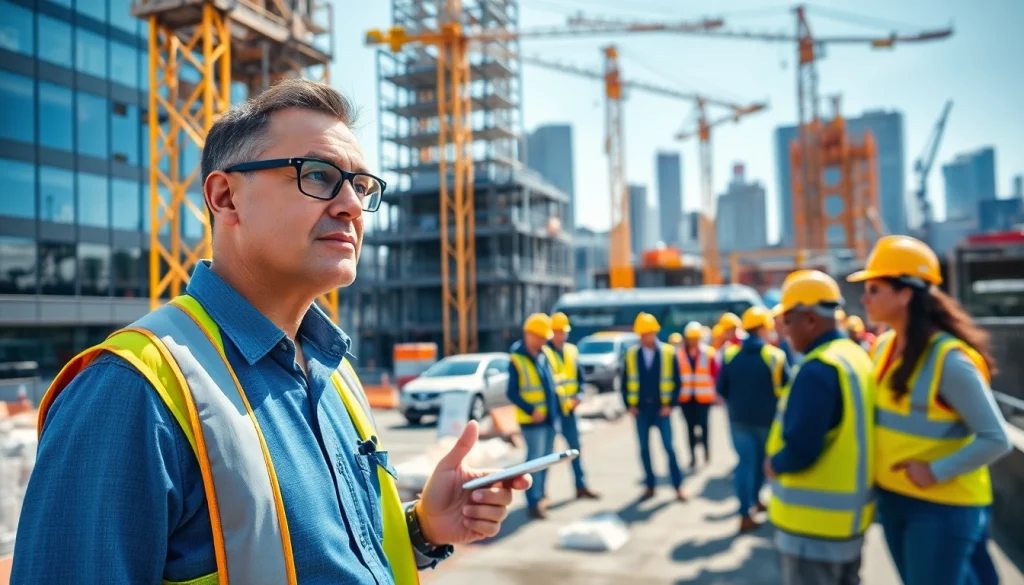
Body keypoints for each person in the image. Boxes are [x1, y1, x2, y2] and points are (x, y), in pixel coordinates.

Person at [11, 79, 528, 585]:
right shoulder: (129, 392)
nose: (351, 205)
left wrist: (422, 528)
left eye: (362, 186)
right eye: (319, 175)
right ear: (226, 197)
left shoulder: (335, 374)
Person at [847, 235, 1012, 585]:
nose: (864, 298)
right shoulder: (883, 347)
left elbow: (996, 438)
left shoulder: (950, 360)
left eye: (874, 288)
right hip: (894, 499)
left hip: (941, 507)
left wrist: (936, 471)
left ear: (905, 293)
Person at [765, 270, 875, 585]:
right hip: (849, 521)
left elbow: (803, 448)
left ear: (811, 319)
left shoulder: (817, 369)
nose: (784, 330)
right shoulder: (855, 357)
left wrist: (775, 464)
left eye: (788, 320)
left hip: (812, 529)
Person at [718, 306, 789, 533]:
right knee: (760, 464)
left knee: (745, 465)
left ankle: (746, 511)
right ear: (762, 329)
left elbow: (721, 389)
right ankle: (754, 503)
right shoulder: (775, 356)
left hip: (738, 420)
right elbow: (787, 389)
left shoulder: (730, 354)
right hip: (767, 422)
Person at [506, 313, 565, 520]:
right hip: (532, 421)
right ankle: (533, 502)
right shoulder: (517, 359)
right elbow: (512, 392)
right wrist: (532, 410)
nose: (543, 341)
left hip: (550, 418)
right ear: (529, 335)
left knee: (546, 461)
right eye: (540, 337)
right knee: (535, 462)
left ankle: (541, 495)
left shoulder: (544, 354)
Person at [623, 313, 687, 501]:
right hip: (641, 410)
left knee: (669, 448)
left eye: (648, 333)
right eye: (642, 334)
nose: (645, 338)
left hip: (662, 410)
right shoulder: (632, 355)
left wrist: (671, 405)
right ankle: (650, 485)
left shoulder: (668, 353)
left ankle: (678, 486)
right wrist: (629, 405)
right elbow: (624, 383)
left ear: (655, 332)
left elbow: (677, 382)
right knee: (644, 449)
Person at [548, 312, 601, 500]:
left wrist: (578, 396)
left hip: (569, 410)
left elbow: (580, 378)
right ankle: (541, 496)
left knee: (575, 449)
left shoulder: (572, 350)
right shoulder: (545, 352)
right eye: (557, 331)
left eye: (563, 331)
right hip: (552, 411)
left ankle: (581, 486)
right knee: (547, 455)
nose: (561, 335)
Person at [677, 321, 718, 468]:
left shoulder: (709, 353)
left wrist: (716, 394)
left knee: (704, 426)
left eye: (696, 338)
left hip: (704, 397)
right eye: (691, 338)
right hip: (686, 398)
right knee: (690, 428)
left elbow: (715, 374)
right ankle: (693, 456)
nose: (693, 341)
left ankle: (706, 451)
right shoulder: (679, 355)